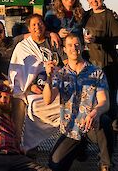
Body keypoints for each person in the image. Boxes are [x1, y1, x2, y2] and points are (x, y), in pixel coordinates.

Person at [43, 33, 113, 171]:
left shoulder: (96, 72)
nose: (74, 48)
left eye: (77, 45)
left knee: (104, 121)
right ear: (64, 49)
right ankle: (80, 149)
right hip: (71, 130)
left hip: (92, 125)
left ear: (82, 47)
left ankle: (106, 164)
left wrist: (95, 112)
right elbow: (47, 99)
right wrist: (49, 77)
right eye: (69, 45)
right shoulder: (60, 74)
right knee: (54, 165)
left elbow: (105, 102)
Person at [9, 14, 65, 152]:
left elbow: (65, 64)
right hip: (32, 89)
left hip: (55, 84)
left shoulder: (53, 42)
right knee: (31, 108)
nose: (37, 27)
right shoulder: (23, 47)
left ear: (44, 26)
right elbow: (20, 74)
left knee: (66, 103)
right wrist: (31, 86)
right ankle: (27, 147)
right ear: (29, 28)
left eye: (40, 24)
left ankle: (71, 138)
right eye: (33, 25)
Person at [83, 0, 118, 126]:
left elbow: (116, 39)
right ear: (87, 1)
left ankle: (114, 131)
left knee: (110, 99)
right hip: (90, 63)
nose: (94, 0)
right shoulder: (85, 15)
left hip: (108, 63)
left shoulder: (110, 15)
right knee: (92, 99)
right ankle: (94, 131)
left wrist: (97, 39)